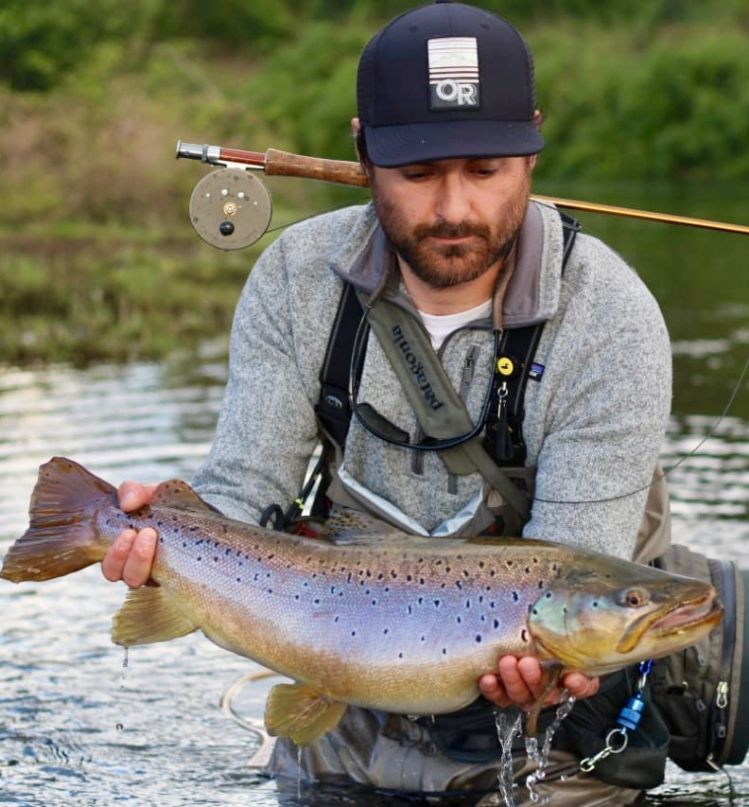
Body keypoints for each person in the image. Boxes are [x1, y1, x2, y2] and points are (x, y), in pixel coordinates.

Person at [101, 2, 673, 803]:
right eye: (417, 174)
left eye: (484, 170)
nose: (453, 209)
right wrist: (165, 536)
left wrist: (545, 672)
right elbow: (242, 494)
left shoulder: (609, 317)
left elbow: (569, 568)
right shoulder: (298, 277)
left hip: (545, 741)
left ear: (532, 150)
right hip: (338, 687)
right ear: (363, 153)